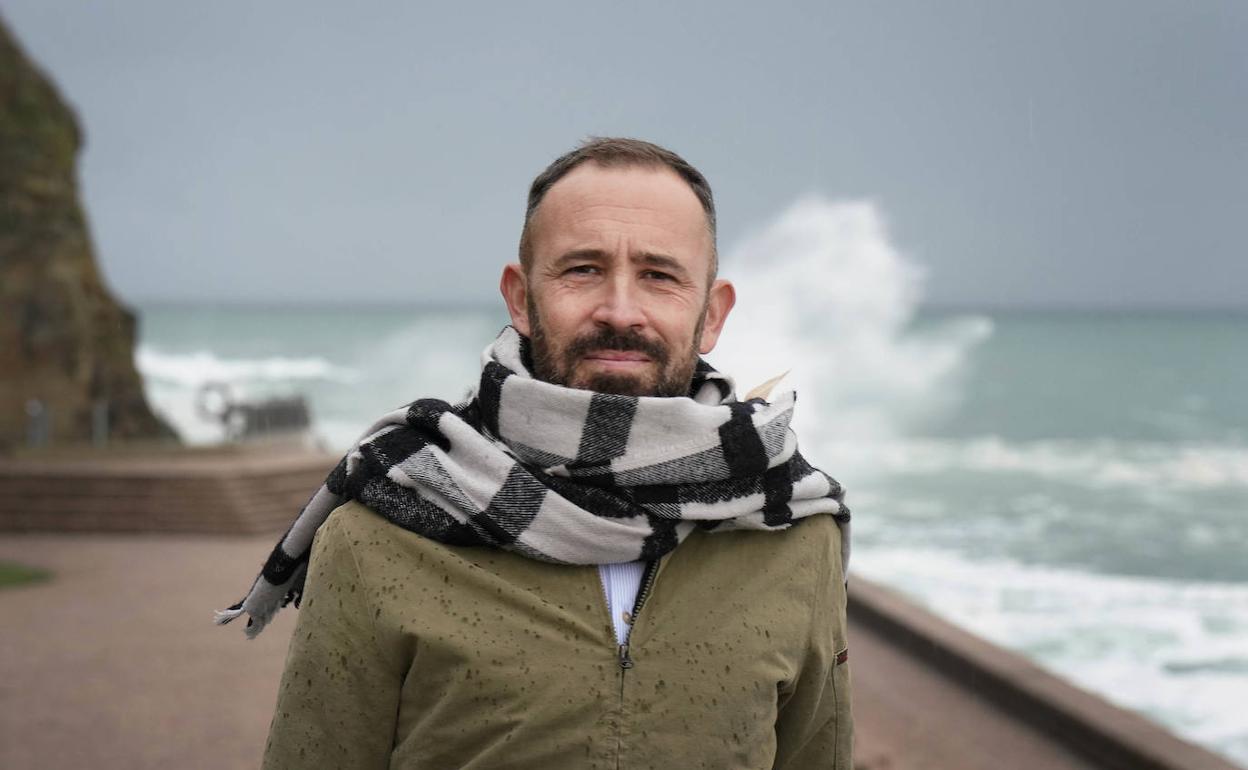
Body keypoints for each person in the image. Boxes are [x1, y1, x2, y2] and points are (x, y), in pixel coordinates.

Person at [219, 137, 853, 769]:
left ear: (711, 315)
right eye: (583, 270)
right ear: (521, 298)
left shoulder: (795, 534)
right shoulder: (380, 530)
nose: (620, 311)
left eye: (659, 276)